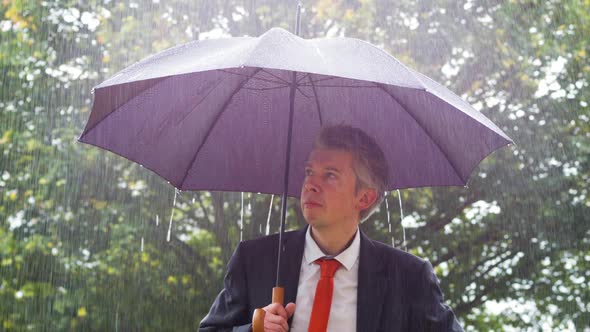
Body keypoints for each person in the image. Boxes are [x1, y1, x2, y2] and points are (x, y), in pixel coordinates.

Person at [199, 125, 464, 332]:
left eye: (330, 175)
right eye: (309, 172)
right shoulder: (255, 259)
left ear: (364, 198)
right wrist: (255, 327)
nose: (310, 185)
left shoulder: (409, 277)